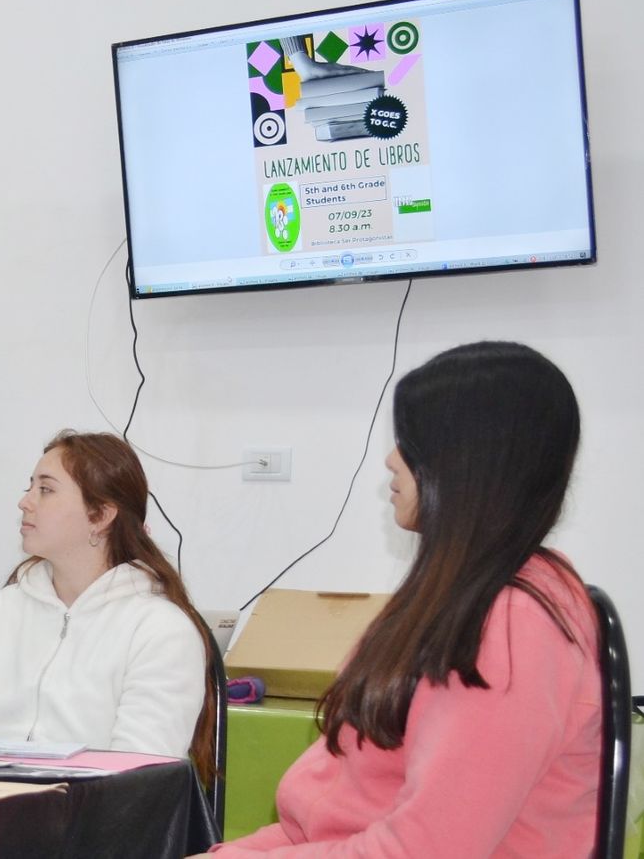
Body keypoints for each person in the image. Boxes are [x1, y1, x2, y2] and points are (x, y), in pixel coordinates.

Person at [209, 341, 599, 857]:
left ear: (468, 462)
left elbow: (428, 849)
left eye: (410, 444)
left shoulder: (510, 624)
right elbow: (326, 820)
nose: (392, 461)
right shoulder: (468, 600)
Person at [0, 431, 217, 777]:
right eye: (30, 487)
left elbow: (138, 779)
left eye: (46, 490)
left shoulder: (160, 630)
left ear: (100, 515)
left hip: (85, 820)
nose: (25, 502)